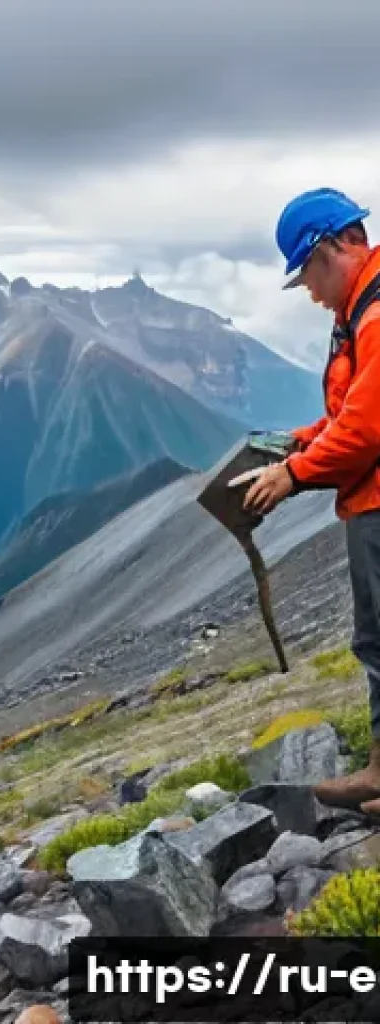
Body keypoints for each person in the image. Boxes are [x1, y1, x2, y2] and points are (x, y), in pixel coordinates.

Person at [243, 186, 380, 811]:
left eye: (308, 276)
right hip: (369, 501)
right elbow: (351, 412)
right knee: (375, 640)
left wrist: (293, 475)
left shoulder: (374, 317)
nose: (310, 292)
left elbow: (367, 430)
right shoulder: (359, 312)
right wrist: (299, 440)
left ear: (332, 249)